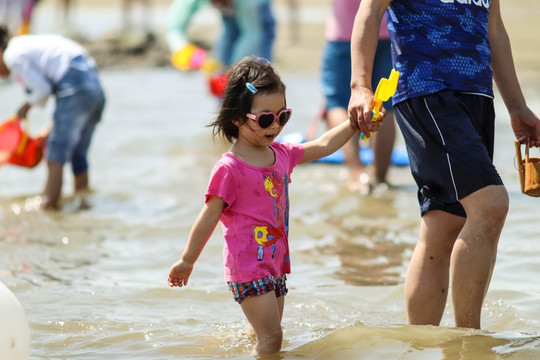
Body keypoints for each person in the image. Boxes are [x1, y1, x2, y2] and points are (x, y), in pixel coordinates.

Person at [348, 0, 540, 329]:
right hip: (427, 90)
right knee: (491, 204)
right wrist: (360, 86)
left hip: (477, 96)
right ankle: (469, 343)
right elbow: (370, 10)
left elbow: (495, 30)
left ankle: (421, 343)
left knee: (444, 222)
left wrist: (517, 106)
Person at [168, 56, 359, 356]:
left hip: (274, 262)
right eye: (265, 119)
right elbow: (209, 215)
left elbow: (323, 145)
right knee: (272, 337)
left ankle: (227, 350)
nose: (276, 126)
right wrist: (187, 260)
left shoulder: (281, 154)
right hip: (247, 266)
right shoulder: (229, 168)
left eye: (282, 116)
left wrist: (354, 122)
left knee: (260, 333)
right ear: (236, 118)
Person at [0, 25, 106, 209]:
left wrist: (24, 108)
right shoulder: (26, 44)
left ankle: (49, 202)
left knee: (55, 153)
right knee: (77, 152)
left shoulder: (12, 56)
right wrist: (50, 129)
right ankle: (83, 200)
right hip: (94, 88)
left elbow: (42, 90)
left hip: (76, 86)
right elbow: (67, 99)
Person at [321, 0, 395, 193]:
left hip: (344, 33)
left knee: (337, 103)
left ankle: (357, 175)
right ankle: (380, 177)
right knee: (386, 104)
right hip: (388, 31)